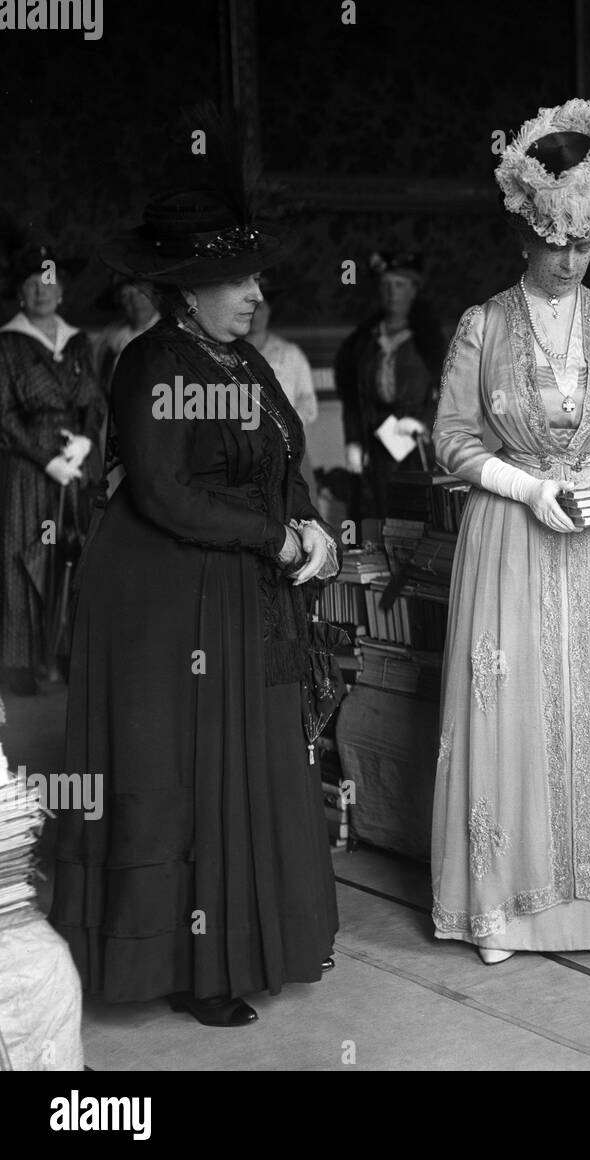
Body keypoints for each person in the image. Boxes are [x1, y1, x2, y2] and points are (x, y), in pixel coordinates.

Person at [50, 142, 341, 1027]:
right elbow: (164, 490)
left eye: (256, 282)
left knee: (247, 765)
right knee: (182, 773)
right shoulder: (156, 364)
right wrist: (277, 535)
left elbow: (282, 452)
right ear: (189, 287)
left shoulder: (241, 364)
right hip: (168, 601)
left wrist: (310, 528)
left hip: (244, 586)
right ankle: (187, 963)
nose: (257, 297)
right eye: (242, 283)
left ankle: (242, 945)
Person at [431, 98, 590, 964]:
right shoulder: (483, 325)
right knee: (515, 706)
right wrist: (527, 489)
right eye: (554, 239)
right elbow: (450, 439)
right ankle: (503, 907)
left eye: (586, 241)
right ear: (525, 232)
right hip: (512, 533)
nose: (570, 259)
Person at [0, 244, 104, 696]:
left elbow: (95, 400)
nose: (41, 292)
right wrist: (47, 462)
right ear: (20, 295)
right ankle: (20, 663)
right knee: (23, 555)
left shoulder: (79, 342)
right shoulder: (7, 343)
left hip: (76, 466)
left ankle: (68, 655)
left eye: (49, 282)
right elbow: (2, 415)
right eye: (31, 284)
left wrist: (84, 440)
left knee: (72, 553)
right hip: (26, 468)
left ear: (61, 291)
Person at [334, 251, 443, 519]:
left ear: (413, 290)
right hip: (376, 444)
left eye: (399, 285)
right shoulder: (365, 341)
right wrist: (354, 443)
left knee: (418, 514)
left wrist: (424, 423)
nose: (392, 292)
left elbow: (449, 389)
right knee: (378, 515)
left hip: (417, 445)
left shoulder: (428, 341)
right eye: (385, 285)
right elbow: (353, 397)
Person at [247, 276, 319, 504]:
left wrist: (285, 426)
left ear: (269, 312)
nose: (255, 314)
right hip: (244, 447)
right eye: (250, 306)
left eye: (261, 307)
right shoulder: (227, 353)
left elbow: (309, 403)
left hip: (286, 447)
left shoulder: (289, 354)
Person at [95, 274, 160, 394]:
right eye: (126, 295)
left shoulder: (171, 335)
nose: (135, 300)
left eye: (141, 292)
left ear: (154, 295)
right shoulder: (111, 338)